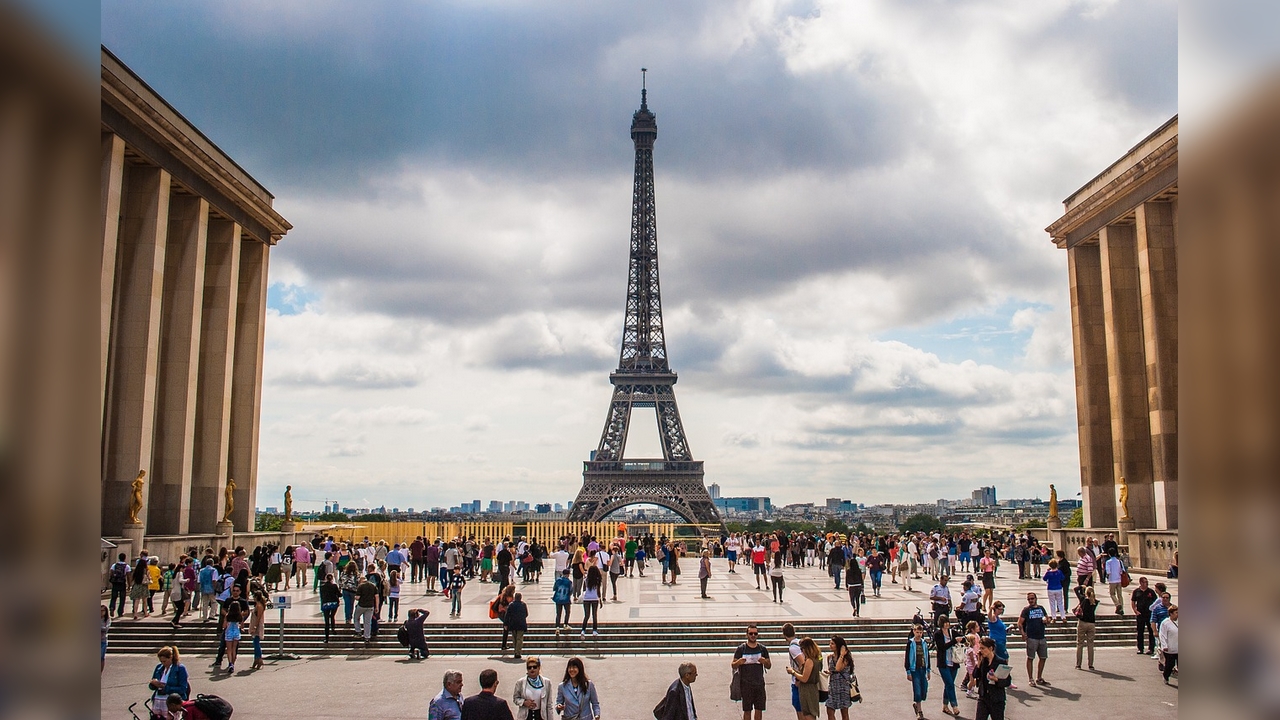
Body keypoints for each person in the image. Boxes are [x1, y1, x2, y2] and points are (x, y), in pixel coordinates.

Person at [731, 625, 772, 720]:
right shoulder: (741, 649)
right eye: (751, 633)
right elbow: (733, 665)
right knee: (747, 710)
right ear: (747, 635)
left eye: (755, 633)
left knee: (759, 709)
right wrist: (738, 662)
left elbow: (769, 665)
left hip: (759, 684)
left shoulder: (762, 649)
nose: (753, 635)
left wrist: (765, 662)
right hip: (746, 685)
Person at [974, 637, 1012, 720]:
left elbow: (1007, 681)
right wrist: (978, 664)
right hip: (983, 697)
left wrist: (996, 679)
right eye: (980, 648)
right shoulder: (983, 661)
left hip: (996, 699)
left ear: (990, 648)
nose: (980, 651)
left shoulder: (1000, 662)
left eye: (983, 648)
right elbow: (975, 675)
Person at [147, 646, 190, 718]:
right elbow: (152, 685)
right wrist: (153, 684)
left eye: (165, 661)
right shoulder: (159, 667)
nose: (163, 663)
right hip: (158, 700)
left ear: (171, 658)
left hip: (171, 702)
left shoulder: (180, 668)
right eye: (161, 661)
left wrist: (165, 687)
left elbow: (183, 688)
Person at [1017, 592, 1049, 686]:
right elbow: (1019, 623)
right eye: (1029, 599)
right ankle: (1030, 679)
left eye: (1032, 599)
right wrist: (1023, 634)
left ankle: (1039, 677)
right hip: (1031, 638)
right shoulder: (1026, 610)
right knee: (1030, 658)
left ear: (1036, 599)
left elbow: (1048, 619)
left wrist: (1046, 620)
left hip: (1041, 637)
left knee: (1043, 657)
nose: (1031, 601)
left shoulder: (1041, 608)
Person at [786, 637, 821, 720]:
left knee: (808, 714)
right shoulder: (816, 659)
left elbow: (804, 678)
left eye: (802, 649)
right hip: (811, 689)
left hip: (808, 690)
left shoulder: (809, 660)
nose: (802, 652)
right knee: (808, 713)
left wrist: (793, 672)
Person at [934, 616, 961, 716]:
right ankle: (955, 706)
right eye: (944, 622)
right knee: (950, 684)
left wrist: (961, 639)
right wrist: (954, 641)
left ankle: (945, 705)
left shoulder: (952, 632)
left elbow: (961, 638)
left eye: (947, 622)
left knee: (948, 684)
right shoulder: (938, 634)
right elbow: (942, 647)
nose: (946, 624)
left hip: (953, 662)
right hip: (943, 663)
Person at [904, 623, 931, 720]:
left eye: (920, 632)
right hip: (914, 669)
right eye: (917, 632)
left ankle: (917, 704)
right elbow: (907, 658)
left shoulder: (924, 643)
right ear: (913, 632)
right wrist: (908, 671)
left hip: (923, 669)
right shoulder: (910, 643)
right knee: (917, 690)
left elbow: (927, 656)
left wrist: (928, 670)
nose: (919, 634)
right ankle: (919, 711)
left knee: (924, 690)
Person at [513, 656, 553, 720]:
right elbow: (515, 699)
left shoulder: (546, 682)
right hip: (526, 716)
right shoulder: (520, 682)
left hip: (541, 716)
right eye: (529, 667)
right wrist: (524, 702)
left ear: (539, 668)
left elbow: (549, 705)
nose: (532, 669)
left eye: (534, 667)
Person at [824, 636, 855, 720]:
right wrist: (829, 672)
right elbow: (833, 670)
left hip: (843, 687)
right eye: (830, 643)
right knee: (829, 710)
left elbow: (838, 668)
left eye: (832, 644)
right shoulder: (829, 657)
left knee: (844, 712)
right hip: (833, 687)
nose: (830, 645)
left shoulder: (845, 658)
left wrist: (841, 654)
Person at [1130, 576, 1158, 655]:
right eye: (1144, 582)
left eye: (1147, 582)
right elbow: (1133, 601)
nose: (1146, 584)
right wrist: (1135, 610)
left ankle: (1151, 648)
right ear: (1141, 583)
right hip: (1140, 614)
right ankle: (1140, 648)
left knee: (1151, 631)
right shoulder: (1136, 591)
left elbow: (1155, 602)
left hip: (1149, 614)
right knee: (1140, 632)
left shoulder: (1151, 591)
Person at [1074, 585, 1100, 670]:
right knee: (1090, 645)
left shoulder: (1083, 600)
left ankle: (1078, 664)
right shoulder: (1096, 602)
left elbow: (1076, 589)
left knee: (1080, 644)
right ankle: (1090, 664)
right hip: (1091, 624)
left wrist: (1082, 586)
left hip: (1082, 623)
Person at [353, 568, 379, 645]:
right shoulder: (373, 586)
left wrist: (355, 597)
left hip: (361, 605)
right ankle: (367, 637)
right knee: (367, 622)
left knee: (356, 618)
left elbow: (357, 597)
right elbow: (377, 597)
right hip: (370, 606)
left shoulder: (361, 586)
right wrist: (376, 607)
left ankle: (358, 631)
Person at [1158, 605, 1178, 685]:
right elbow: (1162, 635)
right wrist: (1164, 646)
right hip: (1170, 648)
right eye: (1176, 613)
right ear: (1171, 613)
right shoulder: (1165, 623)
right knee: (1170, 664)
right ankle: (1166, 675)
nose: (1178, 614)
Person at [505, 592, 529, 659]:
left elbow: (507, 615)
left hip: (513, 624)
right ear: (520, 598)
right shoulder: (523, 604)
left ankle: (516, 651)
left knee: (514, 638)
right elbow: (526, 614)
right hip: (521, 624)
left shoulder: (511, 605)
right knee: (519, 638)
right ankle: (518, 652)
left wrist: (506, 624)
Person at [581, 566, 602, 637]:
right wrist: (600, 600)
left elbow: (584, 590)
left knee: (586, 616)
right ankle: (594, 631)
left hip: (586, 599)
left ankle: (583, 630)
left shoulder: (586, 579)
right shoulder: (597, 580)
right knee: (594, 615)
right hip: (594, 598)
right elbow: (598, 591)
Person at [1104, 550, 1126, 615]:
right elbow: (1123, 570)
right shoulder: (1119, 561)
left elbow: (1108, 571)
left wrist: (1107, 577)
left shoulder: (1108, 562)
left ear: (1109, 554)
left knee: (1112, 593)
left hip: (1112, 580)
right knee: (1120, 595)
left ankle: (1117, 604)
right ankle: (1121, 609)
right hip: (1119, 580)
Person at [101, 606, 111, 673]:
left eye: (103, 611)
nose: (101, 612)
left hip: (103, 640)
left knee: (101, 658)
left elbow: (106, 629)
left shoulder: (107, 619)